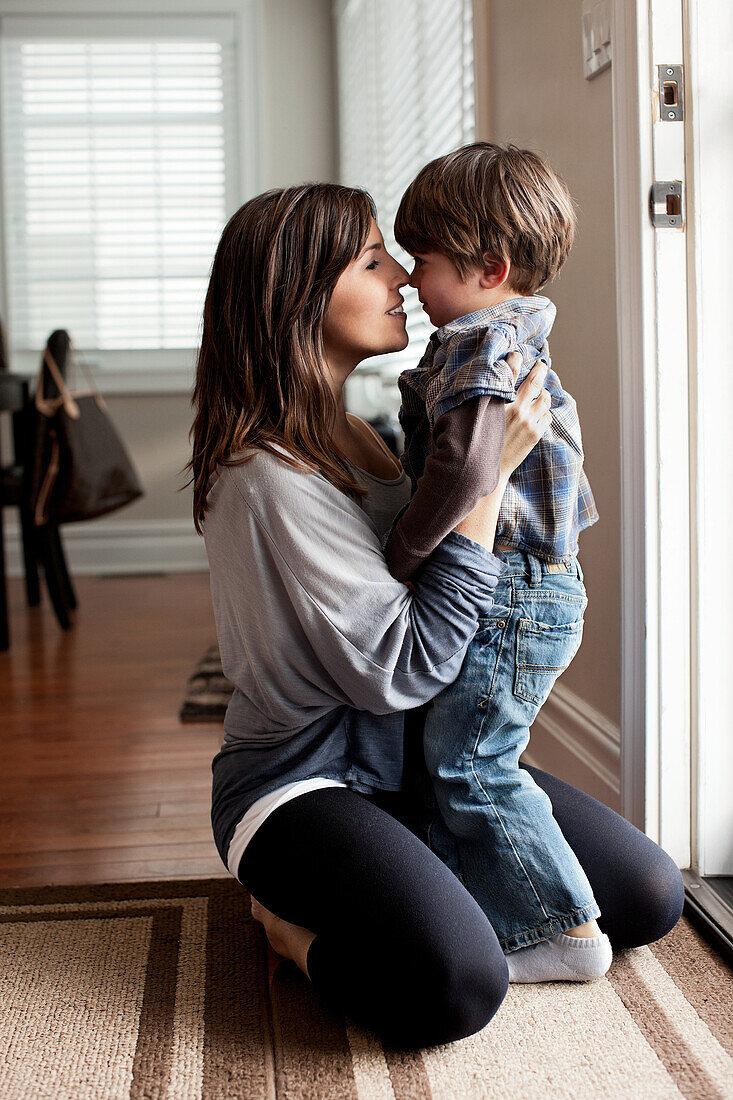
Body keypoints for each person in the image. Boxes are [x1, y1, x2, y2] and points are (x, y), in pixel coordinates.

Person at [187, 182, 684, 1049]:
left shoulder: (358, 436)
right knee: (457, 984)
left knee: (646, 894)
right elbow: (403, 665)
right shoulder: (263, 476)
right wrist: (486, 485)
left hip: (413, 763)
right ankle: (287, 929)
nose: (403, 281)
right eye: (373, 259)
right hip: (307, 778)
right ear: (299, 290)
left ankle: (419, 876)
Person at [383, 142, 609, 984]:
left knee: (472, 761)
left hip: (512, 588)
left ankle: (563, 930)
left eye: (424, 261)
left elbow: (471, 470)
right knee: (460, 754)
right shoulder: (505, 335)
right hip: (533, 585)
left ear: (489, 267)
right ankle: (482, 910)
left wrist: (404, 547)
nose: (409, 280)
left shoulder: (479, 345)